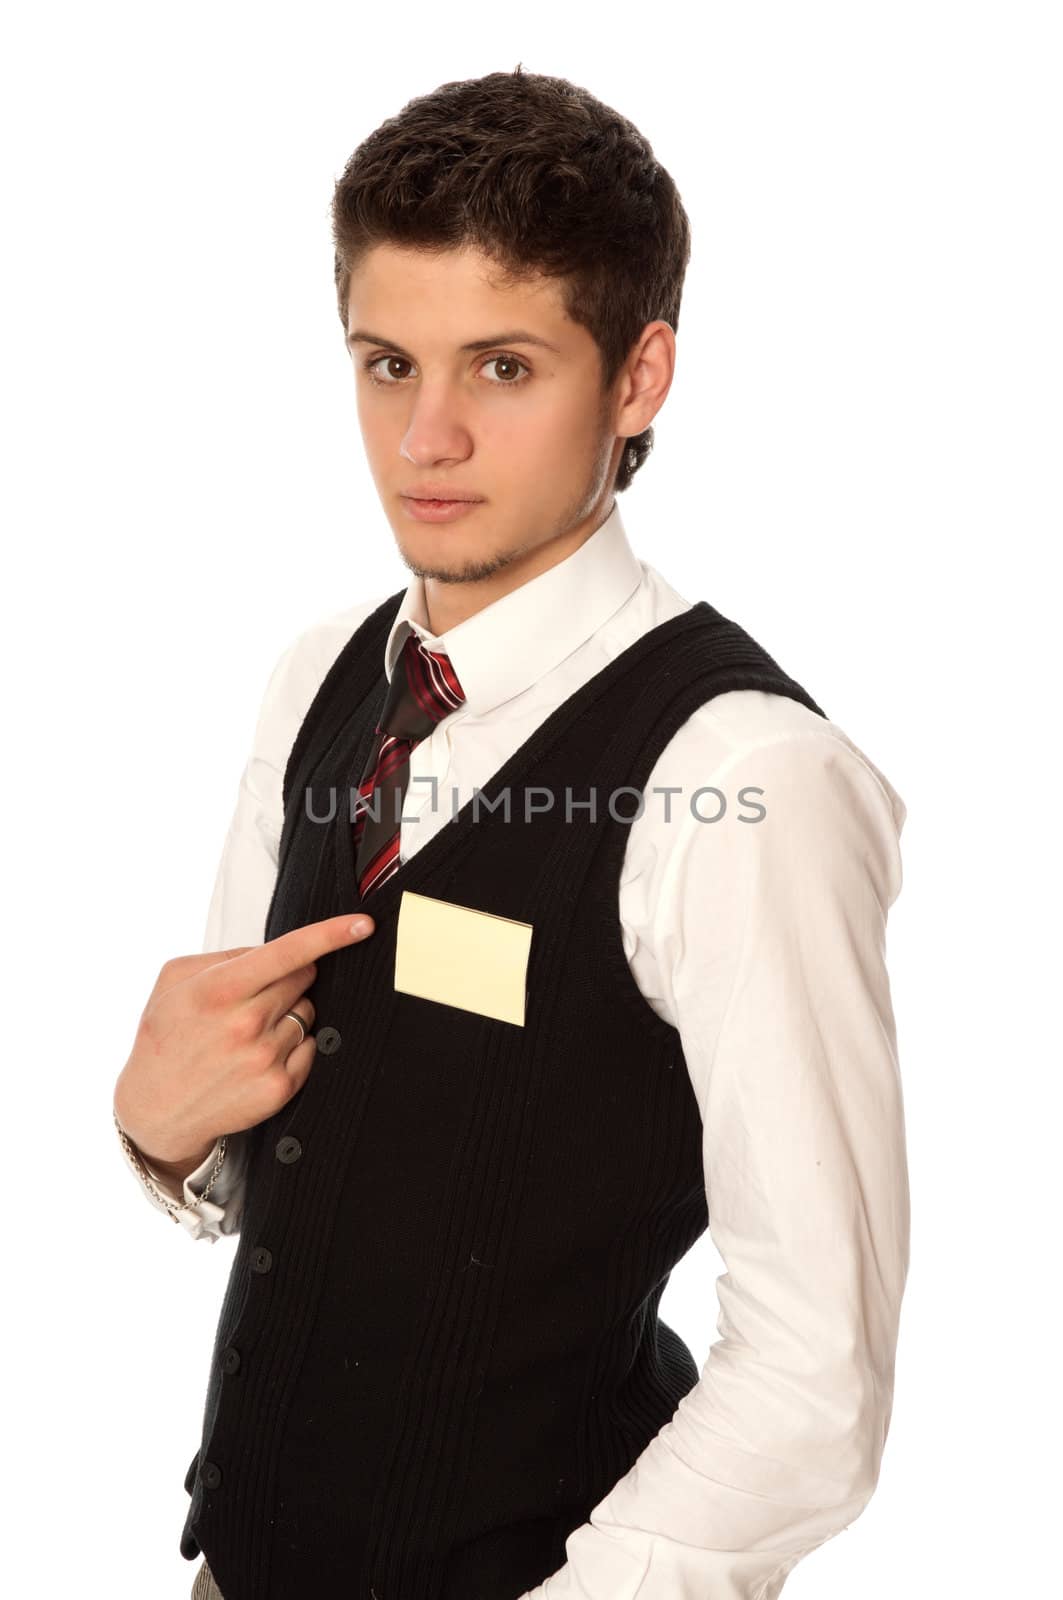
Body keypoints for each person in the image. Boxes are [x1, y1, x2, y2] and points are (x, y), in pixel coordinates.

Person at [113, 65, 910, 1600]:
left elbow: (818, 1379)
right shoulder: (323, 675)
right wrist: (159, 1130)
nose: (427, 439)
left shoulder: (744, 777)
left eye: (502, 367)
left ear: (638, 377)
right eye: (385, 362)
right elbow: (258, 1139)